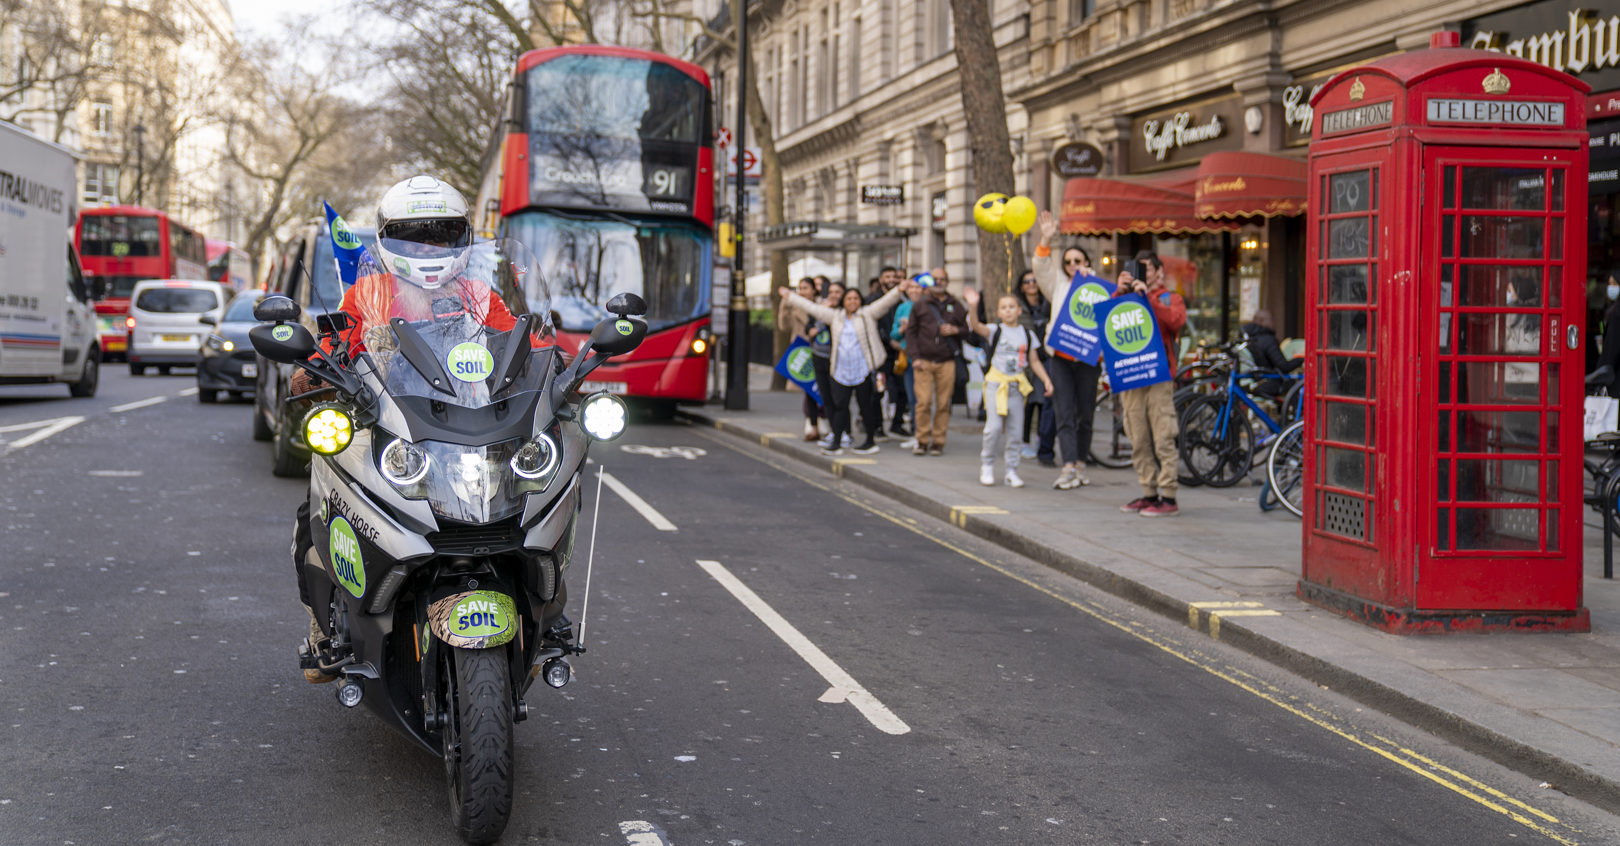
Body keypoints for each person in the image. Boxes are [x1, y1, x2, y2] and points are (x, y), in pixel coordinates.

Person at [290, 175, 550, 683]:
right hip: (392, 433)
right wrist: (311, 371)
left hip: (471, 433)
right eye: (414, 237)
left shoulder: (479, 295)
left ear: (463, 239)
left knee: (539, 496)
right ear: (387, 239)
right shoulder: (366, 294)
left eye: (441, 235)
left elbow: (525, 349)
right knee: (314, 510)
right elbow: (332, 351)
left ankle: (543, 617)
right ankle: (325, 631)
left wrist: (561, 366)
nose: (428, 248)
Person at [779, 278, 911, 455]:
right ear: (843, 302)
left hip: (863, 369)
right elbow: (813, 309)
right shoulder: (836, 316)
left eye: (856, 298)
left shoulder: (867, 314)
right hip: (841, 370)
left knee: (866, 406)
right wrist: (790, 297)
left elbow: (885, 303)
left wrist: (898, 290)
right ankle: (836, 441)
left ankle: (870, 441)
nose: (852, 302)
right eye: (849, 299)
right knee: (840, 405)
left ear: (860, 301)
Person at [1114, 249, 1187, 518]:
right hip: (1132, 375)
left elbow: (1175, 320)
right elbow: (1108, 323)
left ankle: (1168, 496)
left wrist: (1147, 298)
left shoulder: (1170, 298)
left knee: (1163, 435)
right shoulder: (1125, 296)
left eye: (1146, 269)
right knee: (1137, 436)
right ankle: (1149, 493)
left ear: (1159, 272)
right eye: (1137, 269)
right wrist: (1119, 292)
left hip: (1159, 375)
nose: (1141, 274)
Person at [1031, 211, 1100, 490]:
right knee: (1064, 412)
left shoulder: (1098, 287)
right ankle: (1068, 465)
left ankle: (1081, 463)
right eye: (1068, 261)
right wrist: (1046, 238)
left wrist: (1090, 280)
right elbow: (1040, 267)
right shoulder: (1057, 285)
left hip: (1088, 359)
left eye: (1078, 261)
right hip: (1060, 357)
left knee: (1086, 415)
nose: (1072, 264)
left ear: (1087, 263)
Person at [963, 287, 1053, 487]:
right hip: (996, 385)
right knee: (993, 429)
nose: (1008, 310)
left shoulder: (1027, 334)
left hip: (1016, 387)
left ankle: (1011, 470)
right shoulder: (996, 330)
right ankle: (987, 465)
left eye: (1012, 307)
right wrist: (972, 305)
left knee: (1015, 433)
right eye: (1004, 307)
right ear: (998, 313)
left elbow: (1035, 361)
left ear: (1019, 311)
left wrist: (1046, 380)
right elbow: (976, 326)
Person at [904, 267, 969, 456]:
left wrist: (955, 331)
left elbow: (967, 331)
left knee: (943, 403)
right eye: (936, 279)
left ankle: (938, 442)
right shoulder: (921, 305)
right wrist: (914, 357)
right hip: (923, 360)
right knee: (923, 402)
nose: (939, 282)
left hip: (946, 361)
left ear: (947, 282)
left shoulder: (956, 304)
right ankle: (922, 440)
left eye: (943, 279)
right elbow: (911, 333)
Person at [1015, 270, 1057, 465]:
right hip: (1025, 361)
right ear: (1022, 286)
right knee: (1028, 403)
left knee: (1043, 401)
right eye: (1027, 281)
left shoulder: (1048, 304)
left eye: (1034, 280)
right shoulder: (1019, 307)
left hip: (1044, 358)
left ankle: (1041, 438)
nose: (1032, 284)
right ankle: (1024, 441)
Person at [780, 276, 825, 441]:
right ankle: (811, 421)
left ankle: (822, 419)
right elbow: (783, 327)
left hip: (821, 350)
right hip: (802, 351)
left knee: (821, 387)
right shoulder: (794, 307)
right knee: (808, 389)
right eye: (800, 288)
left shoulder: (822, 306)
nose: (802, 292)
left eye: (806, 288)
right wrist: (785, 305)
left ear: (814, 290)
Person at [807, 279, 845, 449]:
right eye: (831, 293)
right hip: (819, 357)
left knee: (840, 398)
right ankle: (834, 431)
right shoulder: (820, 311)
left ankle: (844, 432)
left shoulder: (844, 313)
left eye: (838, 292)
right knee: (826, 398)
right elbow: (810, 327)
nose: (834, 296)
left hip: (837, 359)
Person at [1240, 309, 1302, 398]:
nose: (1274, 323)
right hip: (1267, 382)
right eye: (1271, 320)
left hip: (1250, 381)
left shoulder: (1247, 339)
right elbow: (1283, 366)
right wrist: (1302, 358)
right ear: (1261, 321)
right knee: (1295, 383)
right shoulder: (1268, 340)